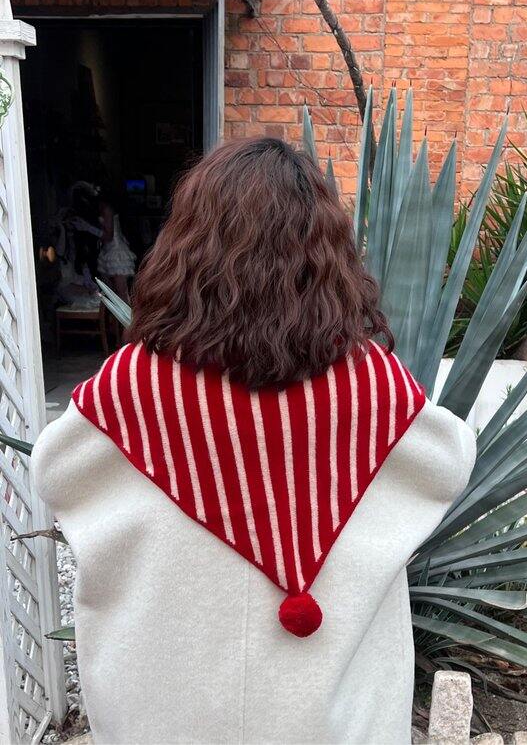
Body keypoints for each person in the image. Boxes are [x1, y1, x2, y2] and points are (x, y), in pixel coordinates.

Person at [31, 138, 475, 745]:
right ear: (329, 256)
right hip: (329, 724)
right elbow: (449, 461)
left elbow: (54, 471)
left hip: (163, 717)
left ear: (186, 248)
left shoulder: (131, 388)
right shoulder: (374, 388)